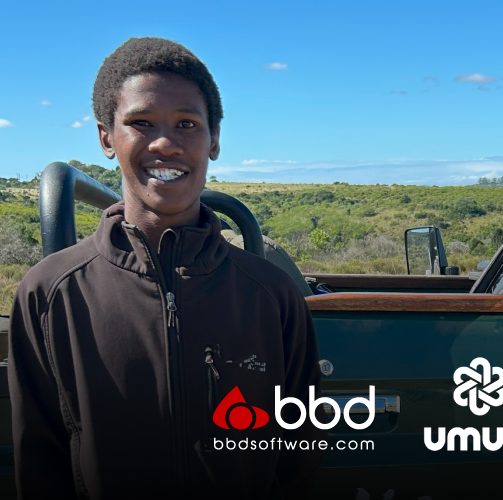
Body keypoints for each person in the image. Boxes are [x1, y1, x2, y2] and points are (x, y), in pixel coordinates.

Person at [7, 37, 325, 499]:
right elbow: (39, 464)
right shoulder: (50, 292)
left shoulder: (270, 294)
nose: (164, 143)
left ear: (214, 139)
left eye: (187, 123)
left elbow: (299, 455)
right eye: (140, 123)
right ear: (106, 139)